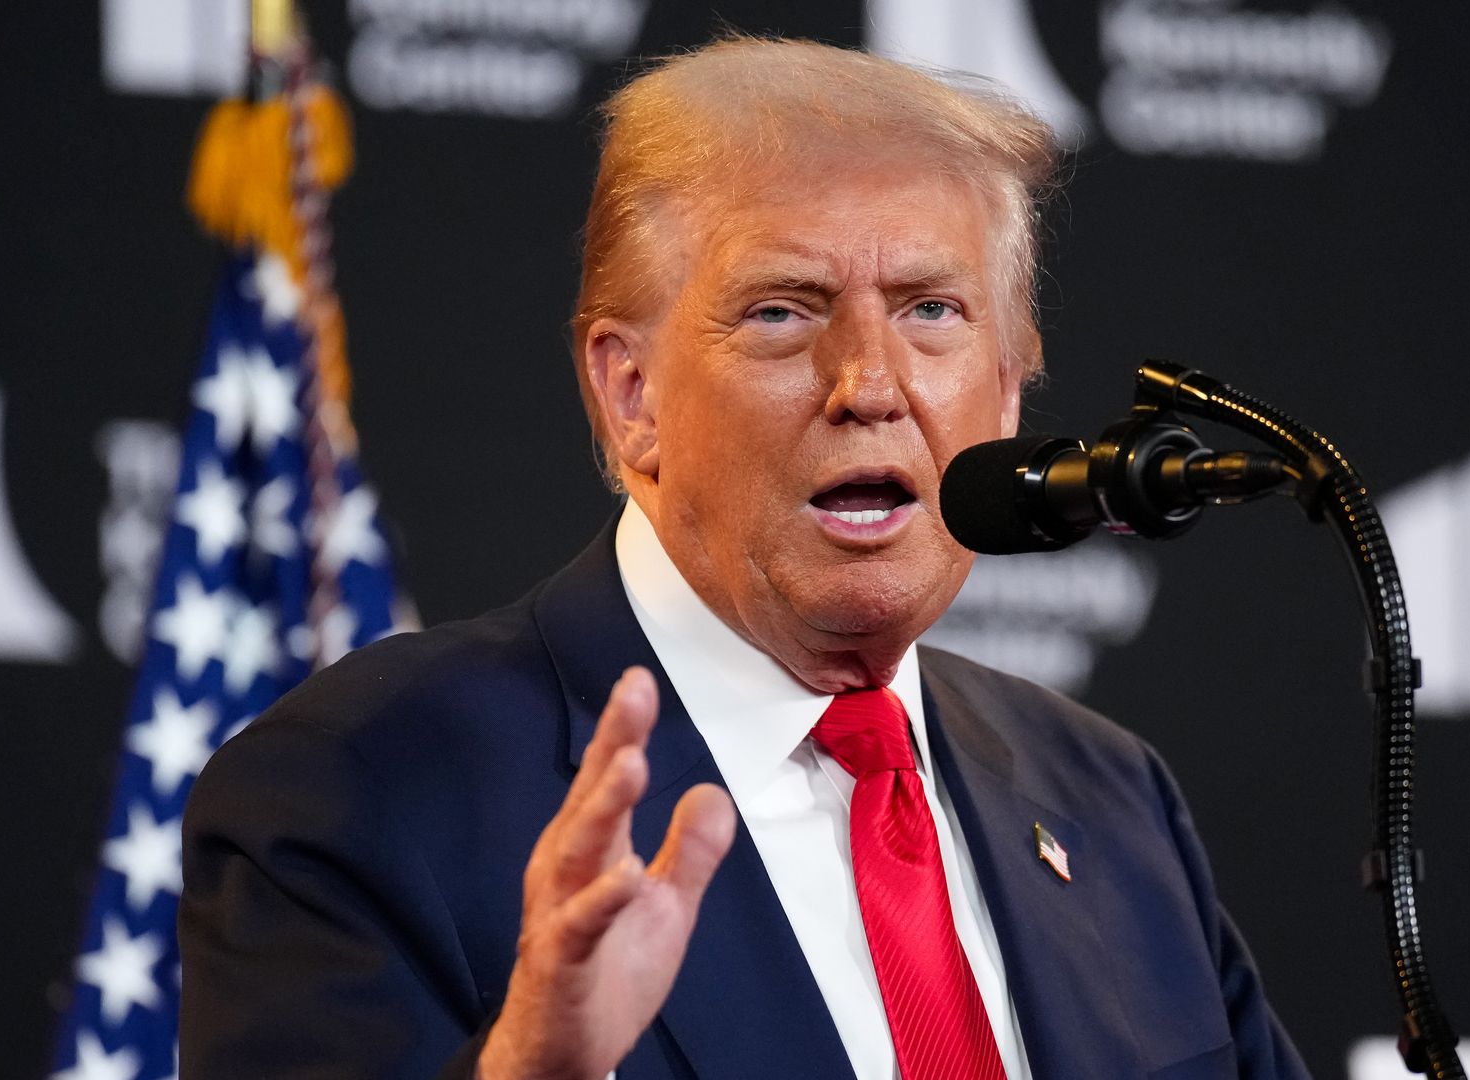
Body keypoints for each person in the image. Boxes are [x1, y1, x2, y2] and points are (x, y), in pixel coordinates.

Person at [179, 35, 1309, 1080]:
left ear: (1008, 394)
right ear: (632, 396)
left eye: (931, 310)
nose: (870, 385)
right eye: (781, 313)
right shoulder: (367, 788)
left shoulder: (1110, 799)